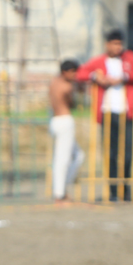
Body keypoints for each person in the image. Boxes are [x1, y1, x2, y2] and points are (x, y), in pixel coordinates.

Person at [76, 29, 133, 201]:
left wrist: (124, 77)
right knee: (110, 153)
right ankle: (114, 191)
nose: (117, 47)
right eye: (114, 44)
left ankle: (126, 188)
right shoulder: (99, 61)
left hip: (126, 112)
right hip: (107, 113)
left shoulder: (130, 58)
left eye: (120, 44)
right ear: (107, 44)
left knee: (128, 153)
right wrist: (96, 77)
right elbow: (80, 73)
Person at [48, 59, 84, 202]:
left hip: (55, 120)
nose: (75, 75)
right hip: (64, 120)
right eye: (73, 72)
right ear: (65, 72)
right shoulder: (67, 87)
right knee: (62, 159)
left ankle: (62, 187)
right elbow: (72, 103)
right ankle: (59, 193)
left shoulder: (53, 82)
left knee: (79, 155)